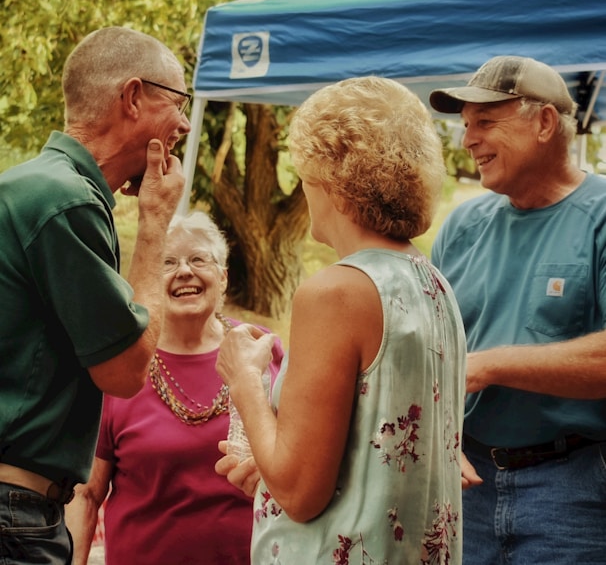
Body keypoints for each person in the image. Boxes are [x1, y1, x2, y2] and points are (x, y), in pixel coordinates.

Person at [215, 76, 467, 564]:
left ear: (331, 177)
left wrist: (244, 378)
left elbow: (300, 490)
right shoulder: (434, 285)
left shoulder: (335, 292)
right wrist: (268, 464)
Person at [0, 26, 189, 563]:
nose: (184, 123)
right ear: (132, 97)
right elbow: (125, 372)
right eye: (177, 102)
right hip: (14, 515)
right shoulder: (63, 200)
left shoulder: (33, 184)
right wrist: (154, 221)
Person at [429, 55, 606, 564]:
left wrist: (490, 365)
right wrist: (442, 438)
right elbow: (428, 352)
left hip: (574, 490)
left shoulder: (599, 217)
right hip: (466, 484)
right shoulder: (462, 227)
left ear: (545, 122)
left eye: (485, 121)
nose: (467, 140)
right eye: (465, 125)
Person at [65, 211, 284, 565]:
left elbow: (299, 459)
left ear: (224, 277)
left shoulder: (261, 347)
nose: (184, 271)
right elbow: (87, 493)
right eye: (168, 263)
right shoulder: (120, 367)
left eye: (199, 259)